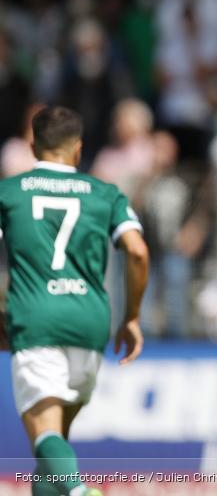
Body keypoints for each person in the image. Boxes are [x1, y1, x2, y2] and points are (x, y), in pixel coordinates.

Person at [0, 106, 149, 496]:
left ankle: (82, 492)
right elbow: (137, 252)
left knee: (44, 436)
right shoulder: (105, 193)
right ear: (79, 149)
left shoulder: (9, 192)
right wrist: (131, 317)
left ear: (34, 146)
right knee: (53, 453)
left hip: (36, 320)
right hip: (90, 322)